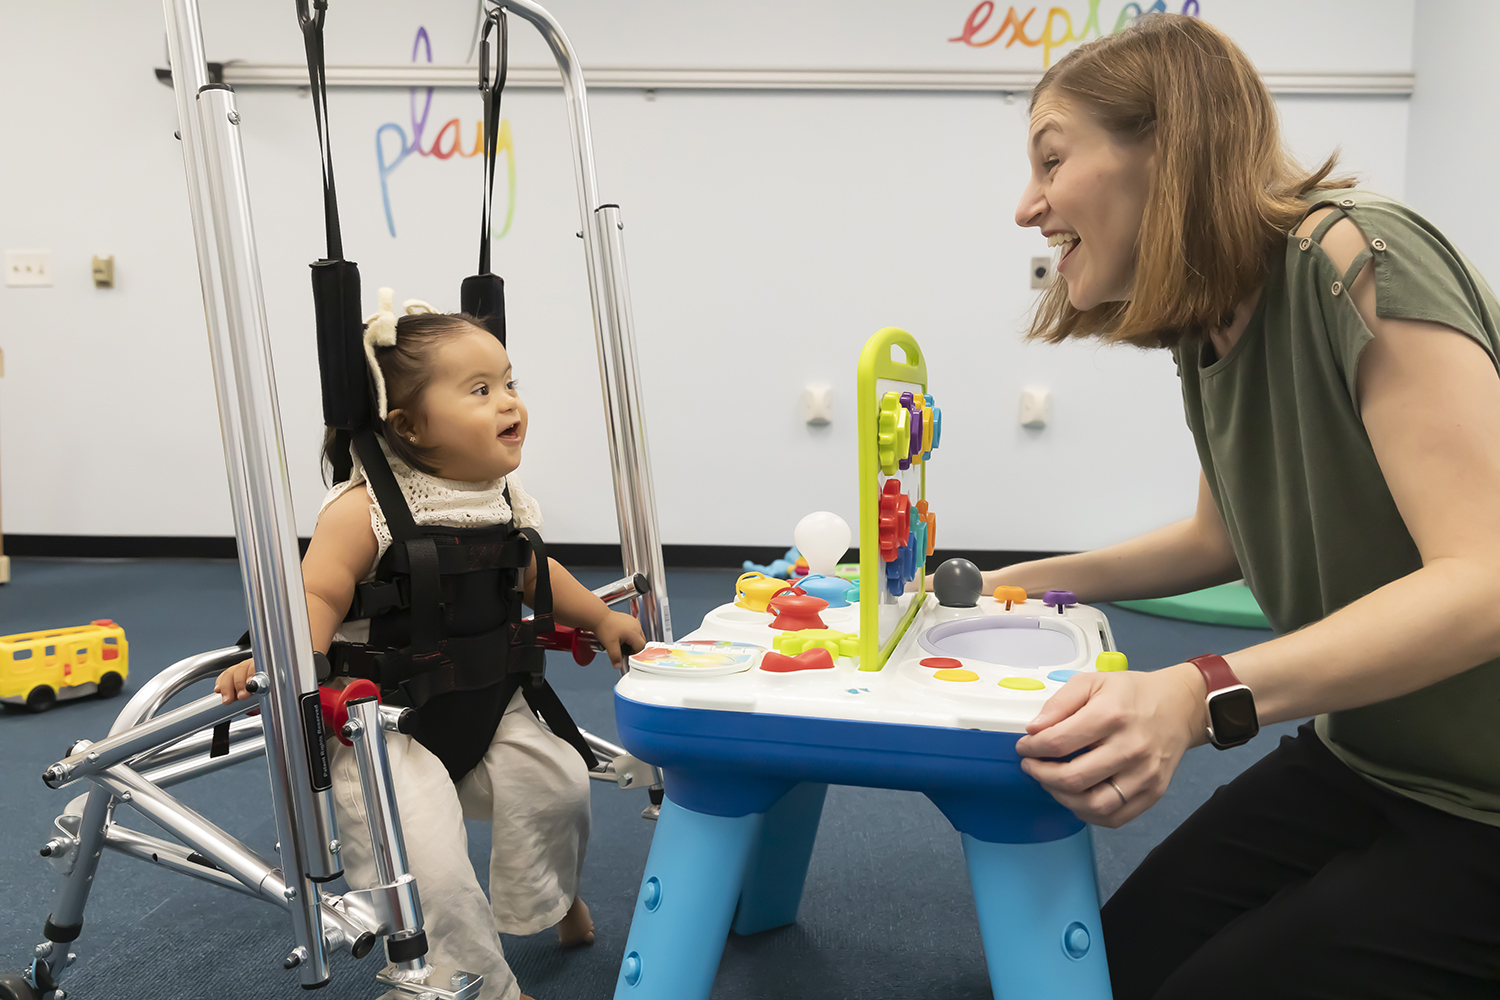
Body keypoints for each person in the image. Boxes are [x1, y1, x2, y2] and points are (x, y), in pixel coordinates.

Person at [995, 13, 1500, 999]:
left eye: (1051, 160)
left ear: (1164, 147)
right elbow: (1217, 537)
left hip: (1487, 804)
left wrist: (1197, 692)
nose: (1028, 206)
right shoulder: (1213, 326)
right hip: (1365, 756)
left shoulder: (1359, 259)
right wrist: (1017, 586)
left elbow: (1484, 577)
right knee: (1113, 968)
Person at [216, 293, 644, 1000]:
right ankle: (470, 983)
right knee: (429, 865)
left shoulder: (500, 495)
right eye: (480, 390)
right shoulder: (364, 510)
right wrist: (282, 661)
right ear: (408, 425)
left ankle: (546, 902)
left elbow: (533, 567)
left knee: (560, 787)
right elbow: (316, 595)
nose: (509, 403)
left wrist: (598, 615)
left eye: (510, 383)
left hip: (485, 697)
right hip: (380, 725)